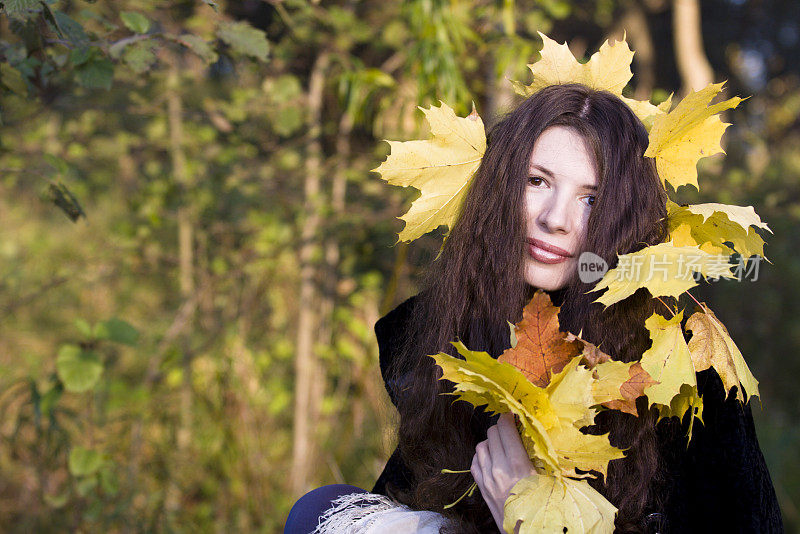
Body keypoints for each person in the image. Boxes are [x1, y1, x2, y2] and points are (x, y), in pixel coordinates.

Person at [284, 83, 783, 533]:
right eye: (538, 182)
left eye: (591, 199)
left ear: (624, 217)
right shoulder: (447, 329)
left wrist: (530, 519)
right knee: (319, 511)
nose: (556, 220)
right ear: (501, 190)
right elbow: (404, 491)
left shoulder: (682, 366)